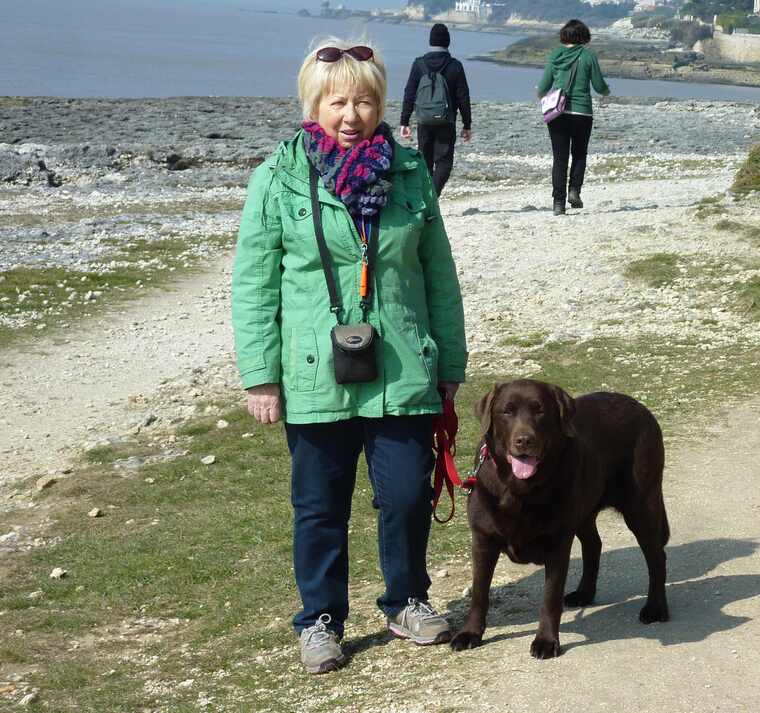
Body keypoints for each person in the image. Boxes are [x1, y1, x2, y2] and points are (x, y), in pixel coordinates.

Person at [231, 37, 468, 675]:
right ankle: (321, 619)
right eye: (338, 100)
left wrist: (450, 364)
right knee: (319, 507)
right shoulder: (278, 175)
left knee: (407, 496)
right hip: (313, 374)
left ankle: (407, 600)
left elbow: (439, 277)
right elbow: (254, 283)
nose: (351, 114)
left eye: (364, 100)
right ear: (314, 101)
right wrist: (260, 376)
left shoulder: (411, 173)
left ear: (381, 103)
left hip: (401, 369)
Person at [536, 19, 610, 215]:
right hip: (582, 113)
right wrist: (607, 92)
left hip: (557, 113)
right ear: (584, 37)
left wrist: (541, 94)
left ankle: (558, 204)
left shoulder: (555, 55)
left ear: (564, 36)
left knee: (559, 159)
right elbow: (599, 85)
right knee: (579, 154)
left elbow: (543, 86)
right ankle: (574, 191)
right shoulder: (588, 56)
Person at [399, 23, 472, 196]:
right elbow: (463, 96)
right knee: (444, 162)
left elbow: (409, 92)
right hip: (446, 121)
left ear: (430, 41)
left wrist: (404, 121)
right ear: (448, 42)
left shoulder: (419, 65)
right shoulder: (455, 66)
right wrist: (467, 124)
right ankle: (433, 196)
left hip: (424, 121)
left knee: (424, 162)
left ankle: (427, 197)